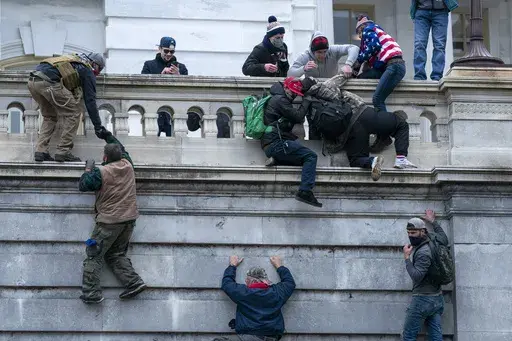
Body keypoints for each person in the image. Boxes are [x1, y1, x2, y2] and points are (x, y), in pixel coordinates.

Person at [300, 74, 417, 181]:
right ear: (315, 82)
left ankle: (372, 161)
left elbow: (315, 133)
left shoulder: (309, 106)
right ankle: (401, 158)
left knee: (356, 159)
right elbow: (343, 75)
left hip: (348, 132)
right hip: (362, 113)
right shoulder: (324, 87)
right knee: (400, 124)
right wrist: (350, 70)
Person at [78, 129, 146, 304]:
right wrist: (108, 136)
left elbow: (84, 185)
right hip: (129, 220)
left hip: (108, 222)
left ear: (105, 158)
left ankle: (91, 293)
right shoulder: (128, 164)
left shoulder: (101, 172)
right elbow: (121, 148)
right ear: (121, 155)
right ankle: (134, 282)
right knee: (115, 254)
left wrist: (88, 168)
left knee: (94, 255)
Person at [28, 52, 108, 162]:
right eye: (99, 69)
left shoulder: (71, 59)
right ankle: (63, 151)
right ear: (95, 64)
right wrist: (98, 126)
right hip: (49, 83)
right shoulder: (87, 70)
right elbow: (90, 101)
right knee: (74, 112)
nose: (97, 74)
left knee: (49, 116)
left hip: (32, 81)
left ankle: (40, 151)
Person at [262, 77, 322, 207]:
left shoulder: (278, 97)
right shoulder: (281, 100)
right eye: (293, 92)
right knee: (310, 156)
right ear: (285, 88)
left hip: (272, 144)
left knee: (299, 154)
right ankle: (305, 191)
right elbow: (298, 116)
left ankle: (277, 160)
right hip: (277, 144)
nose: (294, 96)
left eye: (297, 94)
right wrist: (306, 100)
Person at [354, 15, 406, 152]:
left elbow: (373, 46)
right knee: (365, 76)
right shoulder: (378, 31)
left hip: (394, 65)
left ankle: (384, 135)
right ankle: (384, 134)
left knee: (377, 99)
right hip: (391, 65)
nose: (361, 38)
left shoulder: (368, 29)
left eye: (359, 34)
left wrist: (359, 61)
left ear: (361, 28)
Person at [215, 255, 296, 341]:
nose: (245, 282)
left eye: (247, 280)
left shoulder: (242, 292)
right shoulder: (277, 292)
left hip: (247, 336)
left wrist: (232, 265)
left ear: (250, 281)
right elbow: (289, 283)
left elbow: (227, 284)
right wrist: (280, 266)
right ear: (266, 280)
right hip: (272, 337)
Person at [402, 209, 448, 340]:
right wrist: (433, 221)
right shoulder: (434, 239)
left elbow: (416, 276)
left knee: (408, 335)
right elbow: (444, 238)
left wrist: (406, 258)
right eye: (409, 233)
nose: (411, 235)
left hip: (422, 299)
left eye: (414, 232)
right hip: (437, 298)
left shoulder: (423, 252)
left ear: (422, 231)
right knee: (436, 336)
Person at [411, 0, 459, 81]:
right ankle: (419, 76)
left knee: (439, 45)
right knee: (419, 44)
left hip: (441, 12)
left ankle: (437, 76)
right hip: (421, 11)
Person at [288, 31, 359, 79]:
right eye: (319, 52)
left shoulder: (332, 50)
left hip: (332, 87)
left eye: (325, 51)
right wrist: (303, 68)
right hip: (313, 90)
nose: (323, 55)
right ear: (313, 51)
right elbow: (289, 75)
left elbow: (354, 48)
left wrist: (348, 64)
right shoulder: (305, 56)